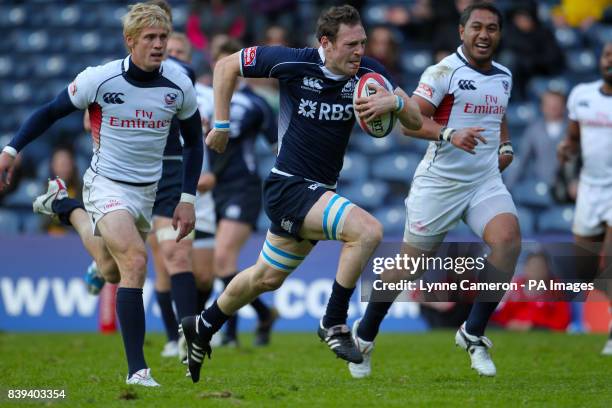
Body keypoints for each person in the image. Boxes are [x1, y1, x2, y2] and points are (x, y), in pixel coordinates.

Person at [179, 4, 422, 383]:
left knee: (264, 278)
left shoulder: (371, 74)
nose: (360, 51)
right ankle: (334, 320)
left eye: (362, 42)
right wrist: (222, 125)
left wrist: (395, 101)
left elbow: (414, 121)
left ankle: (203, 324)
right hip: (288, 185)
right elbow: (226, 65)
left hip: (318, 191)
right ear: (325, 43)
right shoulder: (293, 63)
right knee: (368, 231)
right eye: (351, 44)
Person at [0, 3, 203, 386]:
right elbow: (49, 112)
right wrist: (11, 150)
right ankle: (137, 371)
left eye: (163, 37)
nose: (159, 44)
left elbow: (194, 143)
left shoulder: (179, 85)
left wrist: (187, 198)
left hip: (148, 192)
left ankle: (65, 206)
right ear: (130, 41)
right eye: (150, 38)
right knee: (136, 261)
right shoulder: (100, 79)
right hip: (106, 184)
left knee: (112, 270)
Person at [349, 2, 521, 379]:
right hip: (439, 184)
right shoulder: (443, 72)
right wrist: (449, 133)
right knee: (408, 268)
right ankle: (363, 337)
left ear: (499, 34)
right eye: (476, 27)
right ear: (462, 32)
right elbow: (410, 124)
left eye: (492, 28)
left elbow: (498, 110)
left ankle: (473, 333)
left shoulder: (504, 75)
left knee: (508, 241)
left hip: (483, 181)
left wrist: (504, 146)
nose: (484, 34)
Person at [202, 38, 279, 347]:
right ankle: (263, 312)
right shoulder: (200, 99)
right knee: (216, 267)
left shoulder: (255, 104)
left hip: (242, 187)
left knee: (223, 258)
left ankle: (230, 335)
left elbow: (277, 146)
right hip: (210, 188)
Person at [557, 41, 612, 355]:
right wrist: (566, 149)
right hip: (590, 188)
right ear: (600, 59)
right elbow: (574, 137)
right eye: (607, 55)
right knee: (586, 267)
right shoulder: (582, 95)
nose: (611, 61)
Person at [505, 90, 567, 190]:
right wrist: (508, 187)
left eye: (556, 105)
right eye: (549, 105)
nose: (553, 108)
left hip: (566, 186)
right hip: (541, 184)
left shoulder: (572, 130)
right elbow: (522, 160)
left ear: (563, 106)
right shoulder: (534, 129)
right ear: (542, 107)